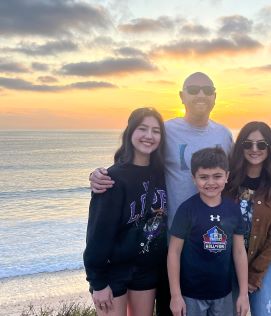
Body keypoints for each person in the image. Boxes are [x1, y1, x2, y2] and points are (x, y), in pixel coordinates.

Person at [88, 72, 232, 315]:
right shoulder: (166, 130)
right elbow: (135, 159)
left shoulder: (224, 135)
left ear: (215, 97)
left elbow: (239, 173)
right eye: (194, 89)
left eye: (207, 89)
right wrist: (99, 175)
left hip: (208, 239)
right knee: (170, 308)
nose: (200, 94)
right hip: (168, 244)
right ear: (181, 96)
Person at [83, 107, 168, 316]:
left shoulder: (162, 173)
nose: (149, 136)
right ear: (130, 132)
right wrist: (97, 282)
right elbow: (97, 233)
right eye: (143, 129)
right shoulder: (113, 178)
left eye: (156, 131)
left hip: (147, 267)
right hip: (113, 270)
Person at [167, 147, 249, 316]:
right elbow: (174, 252)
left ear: (226, 176)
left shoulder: (233, 210)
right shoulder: (187, 210)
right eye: (203, 177)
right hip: (191, 295)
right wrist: (175, 296)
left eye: (217, 176)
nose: (210, 182)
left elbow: (240, 252)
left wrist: (243, 294)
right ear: (193, 178)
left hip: (224, 293)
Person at [225, 122, 271, 316]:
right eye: (248, 144)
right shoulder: (227, 181)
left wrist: (254, 275)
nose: (254, 149)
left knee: (264, 312)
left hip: (262, 261)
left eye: (261, 145)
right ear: (240, 147)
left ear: (269, 148)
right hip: (228, 261)